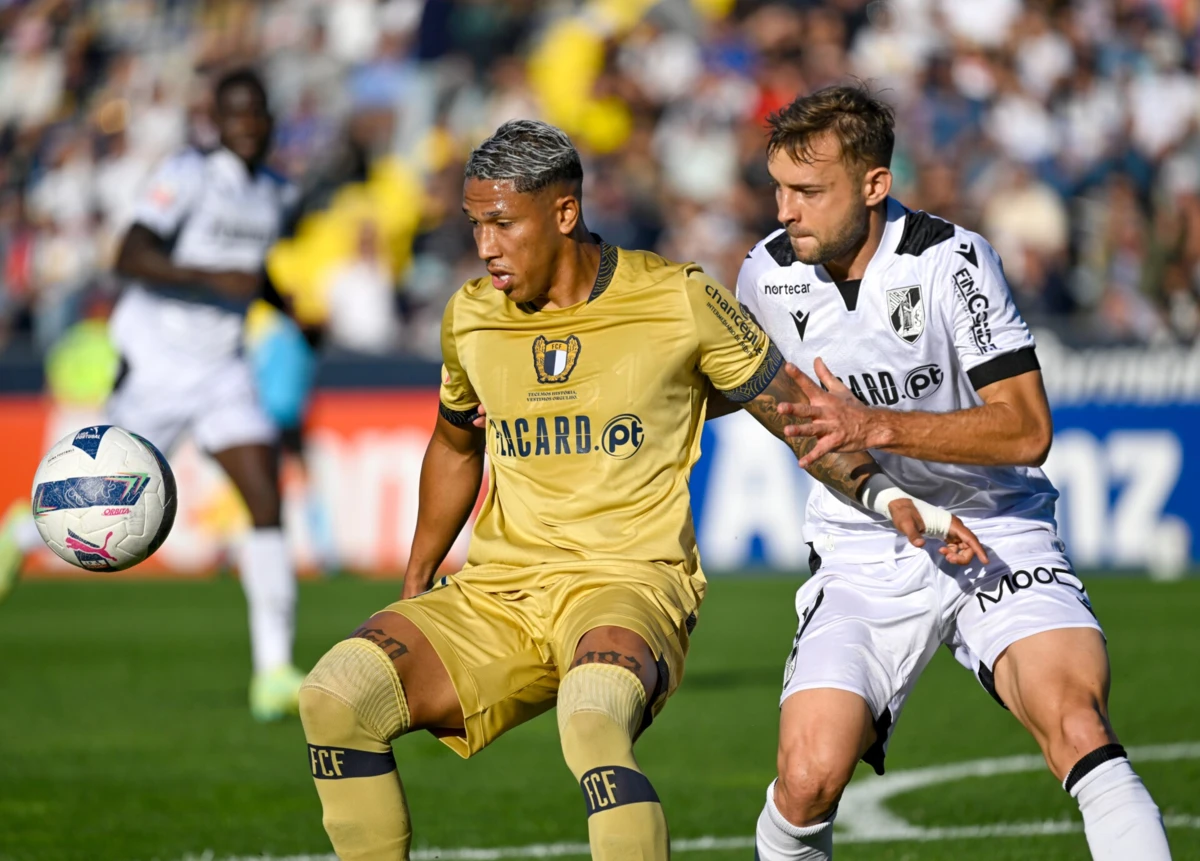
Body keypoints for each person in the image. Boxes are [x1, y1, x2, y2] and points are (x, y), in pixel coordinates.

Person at [296, 119, 984, 861]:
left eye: (501, 223)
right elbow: (456, 441)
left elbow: (795, 417)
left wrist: (889, 499)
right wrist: (417, 573)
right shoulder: (471, 315)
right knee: (336, 694)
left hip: (629, 586)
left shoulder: (678, 299)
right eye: (475, 225)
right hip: (500, 591)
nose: (486, 246)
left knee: (592, 718)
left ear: (564, 213)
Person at [735, 85, 1172, 861]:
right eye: (778, 188)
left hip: (997, 528)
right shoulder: (765, 277)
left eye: (808, 191)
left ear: (875, 185)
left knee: (1077, 724)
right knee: (806, 778)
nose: (784, 210)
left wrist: (876, 423)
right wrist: (892, 491)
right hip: (865, 546)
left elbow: (1027, 428)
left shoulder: (952, 261)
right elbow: (797, 424)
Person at [0, 68, 307, 723]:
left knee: (265, 493)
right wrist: (210, 276)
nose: (248, 125)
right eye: (235, 114)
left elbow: (251, 273)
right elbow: (129, 254)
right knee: (103, 490)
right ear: (215, 122)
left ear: (270, 121)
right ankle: (21, 532)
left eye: (257, 114)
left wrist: (286, 309)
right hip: (158, 362)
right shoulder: (188, 177)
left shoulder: (277, 193)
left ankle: (273, 669)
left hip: (224, 367)